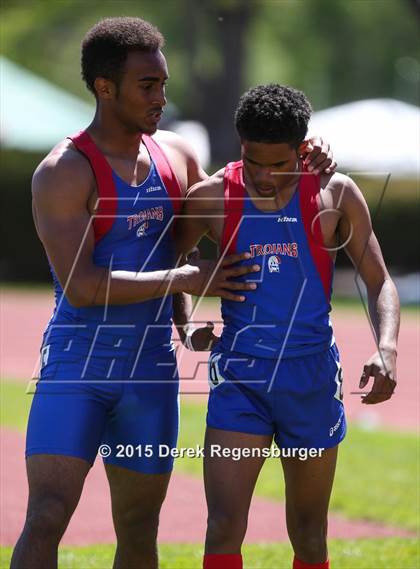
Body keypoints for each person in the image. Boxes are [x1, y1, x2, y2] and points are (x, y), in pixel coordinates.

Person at [11, 16, 335, 569]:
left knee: (139, 528)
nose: (162, 96)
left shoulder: (178, 156)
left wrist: (309, 156)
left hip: (151, 373)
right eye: (148, 85)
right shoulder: (63, 172)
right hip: (77, 367)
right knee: (46, 515)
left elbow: (236, 203)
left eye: (163, 82)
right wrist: (184, 283)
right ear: (104, 87)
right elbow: (85, 287)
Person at [176, 84, 400, 569]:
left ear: (304, 150)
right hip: (241, 382)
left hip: (311, 382)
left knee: (309, 535)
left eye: (278, 165)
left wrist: (387, 348)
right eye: (253, 161)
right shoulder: (212, 196)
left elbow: (379, 280)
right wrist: (187, 320)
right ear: (240, 147)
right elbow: (174, 263)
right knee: (223, 528)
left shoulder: (334, 192)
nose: (263, 176)